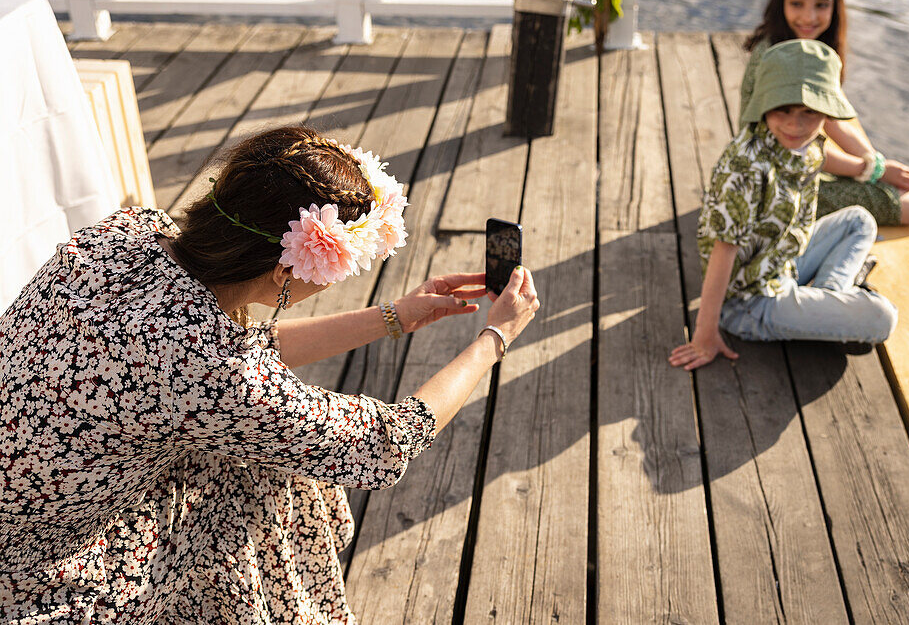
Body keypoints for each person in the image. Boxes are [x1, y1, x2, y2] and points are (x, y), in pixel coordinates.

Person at [0, 126, 540, 623]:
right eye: (340, 266)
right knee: (269, 473)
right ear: (286, 267)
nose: (338, 279)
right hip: (39, 568)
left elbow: (221, 364)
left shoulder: (130, 233)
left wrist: (394, 315)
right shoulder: (209, 370)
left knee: (262, 451)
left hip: (38, 491)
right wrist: (493, 340)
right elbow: (388, 441)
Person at [669, 39, 897, 371]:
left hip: (783, 261)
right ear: (764, 103)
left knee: (860, 221)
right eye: (783, 109)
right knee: (883, 318)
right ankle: (826, 305)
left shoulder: (810, 143)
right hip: (749, 298)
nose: (796, 125)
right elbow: (724, 251)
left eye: (810, 112)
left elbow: (819, 154)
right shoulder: (744, 167)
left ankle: (824, 298)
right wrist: (704, 335)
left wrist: (870, 169)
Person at [741, 0, 909, 257]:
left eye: (821, 5)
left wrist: (875, 162)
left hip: (792, 169)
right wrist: (871, 170)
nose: (809, 17)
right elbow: (792, 146)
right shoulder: (778, 58)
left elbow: (828, 120)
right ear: (780, 1)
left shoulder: (808, 47)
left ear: (835, 7)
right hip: (777, 186)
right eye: (797, 3)